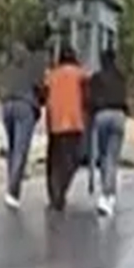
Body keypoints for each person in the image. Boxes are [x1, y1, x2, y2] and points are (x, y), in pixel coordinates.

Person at [0, 27, 48, 209]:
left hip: (7, 105)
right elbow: (40, 87)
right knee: (20, 150)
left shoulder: (9, 61)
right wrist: (43, 100)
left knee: (12, 148)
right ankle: (13, 191)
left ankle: (10, 186)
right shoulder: (35, 61)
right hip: (25, 106)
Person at [43, 43, 89, 212]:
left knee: (54, 162)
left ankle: (55, 194)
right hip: (74, 123)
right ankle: (60, 191)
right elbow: (87, 94)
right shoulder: (80, 74)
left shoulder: (52, 75)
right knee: (73, 160)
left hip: (55, 123)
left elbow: (43, 94)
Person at [87, 45, 130, 217]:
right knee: (112, 158)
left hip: (102, 115)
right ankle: (108, 194)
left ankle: (107, 194)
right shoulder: (121, 77)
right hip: (119, 116)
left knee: (104, 157)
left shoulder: (96, 78)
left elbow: (90, 99)